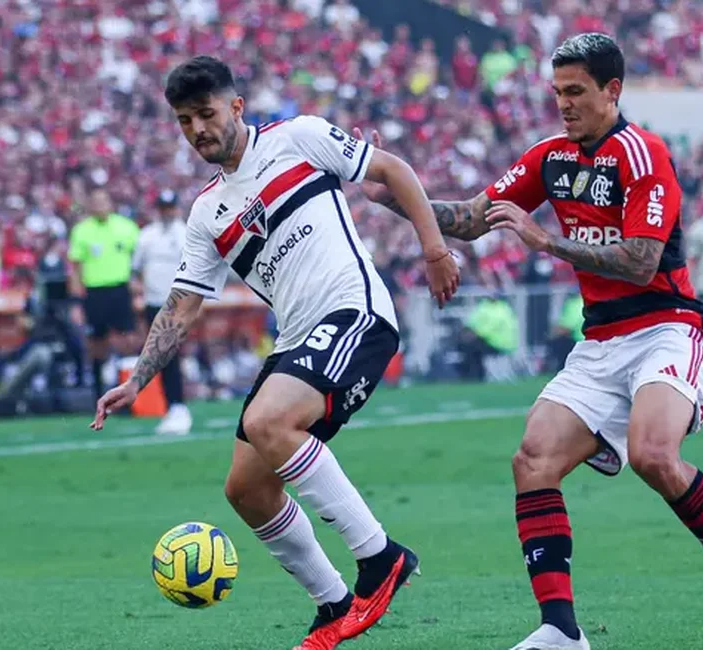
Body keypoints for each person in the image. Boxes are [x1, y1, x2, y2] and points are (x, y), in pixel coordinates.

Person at [358, 33, 703, 650]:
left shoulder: (643, 157)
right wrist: (401, 200)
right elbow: (472, 218)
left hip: (667, 328)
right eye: (557, 92)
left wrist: (548, 243)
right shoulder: (549, 157)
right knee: (533, 459)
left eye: (576, 92)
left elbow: (642, 262)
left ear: (611, 91)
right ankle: (561, 631)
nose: (563, 104)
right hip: (602, 344)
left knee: (653, 455)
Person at [90, 55, 459, 650]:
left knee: (268, 420)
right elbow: (181, 305)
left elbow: (391, 169)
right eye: (184, 121)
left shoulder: (298, 139)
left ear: (236, 106)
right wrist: (138, 379)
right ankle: (333, 603)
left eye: (205, 114)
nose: (197, 130)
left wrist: (434, 248)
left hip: (354, 311)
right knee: (246, 489)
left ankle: (380, 557)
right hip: (296, 337)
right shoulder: (207, 212)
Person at [68, 189, 141, 397]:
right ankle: (99, 393)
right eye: (96, 201)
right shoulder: (81, 231)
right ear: (90, 205)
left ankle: (130, 392)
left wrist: (138, 290)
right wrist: (76, 302)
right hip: (95, 292)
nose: (100, 205)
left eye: (104, 200)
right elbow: (75, 270)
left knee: (128, 341)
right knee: (96, 344)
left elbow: (139, 261)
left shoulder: (127, 228)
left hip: (120, 289)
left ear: (111, 203)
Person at [132, 189, 193, 435]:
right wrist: (138, 294)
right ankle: (173, 406)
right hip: (153, 302)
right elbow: (136, 270)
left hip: (177, 302)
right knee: (160, 354)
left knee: (169, 353)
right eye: (163, 207)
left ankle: (177, 406)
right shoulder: (147, 235)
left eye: (170, 207)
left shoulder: (185, 233)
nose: (167, 212)